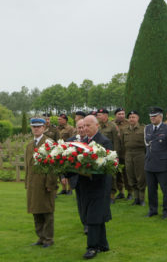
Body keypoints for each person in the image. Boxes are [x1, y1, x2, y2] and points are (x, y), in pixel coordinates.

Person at [78, 115, 113, 259]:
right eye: (83, 126)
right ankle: (103, 244)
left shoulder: (104, 142)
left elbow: (108, 165)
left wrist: (91, 173)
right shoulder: (82, 142)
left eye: (88, 125)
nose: (85, 128)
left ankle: (92, 247)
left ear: (96, 126)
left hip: (99, 185)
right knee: (93, 214)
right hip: (85, 186)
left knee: (93, 216)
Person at [25, 118, 57, 248]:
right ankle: (41, 237)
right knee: (35, 211)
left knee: (47, 211)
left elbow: (53, 167)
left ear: (44, 128)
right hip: (33, 184)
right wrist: (27, 182)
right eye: (34, 127)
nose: (36, 129)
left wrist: (51, 184)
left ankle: (48, 239)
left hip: (45, 184)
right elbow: (28, 166)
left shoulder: (49, 143)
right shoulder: (29, 145)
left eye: (39, 126)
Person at [144, 107, 167, 219]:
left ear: (160, 117)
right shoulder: (147, 128)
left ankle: (166, 211)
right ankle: (153, 210)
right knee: (151, 190)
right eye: (151, 116)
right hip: (149, 164)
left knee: (166, 190)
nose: (152, 118)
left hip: (163, 165)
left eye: (154, 116)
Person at [64, 119, 88, 235]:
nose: (82, 129)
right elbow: (64, 160)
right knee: (81, 202)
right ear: (76, 129)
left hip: (90, 178)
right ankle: (85, 224)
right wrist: (64, 176)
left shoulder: (91, 141)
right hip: (76, 178)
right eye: (79, 127)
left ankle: (91, 223)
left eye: (83, 127)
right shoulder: (70, 141)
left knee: (89, 201)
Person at [120, 110, 146, 206]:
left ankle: (142, 198)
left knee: (141, 176)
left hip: (140, 154)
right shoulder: (124, 130)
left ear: (138, 118)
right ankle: (136, 198)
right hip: (128, 154)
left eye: (134, 117)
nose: (132, 119)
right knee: (131, 176)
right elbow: (122, 143)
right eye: (130, 117)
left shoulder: (143, 129)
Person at [97, 108, 120, 204]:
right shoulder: (97, 126)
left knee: (111, 176)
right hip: (99, 155)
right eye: (97, 115)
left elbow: (116, 142)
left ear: (106, 116)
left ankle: (112, 196)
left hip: (110, 154)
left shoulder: (113, 126)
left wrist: (115, 155)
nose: (98, 117)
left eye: (100, 115)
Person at [112, 107, 133, 200]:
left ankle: (130, 192)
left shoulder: (129, 123)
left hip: (126, 153)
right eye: (119, 114)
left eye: (123, 114)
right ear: (115, 115)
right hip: (115, 153)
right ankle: (120, 192)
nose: (121, 116)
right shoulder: (111, 124)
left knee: (127, 173)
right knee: (117, 174)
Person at [57, 113, 75, 195]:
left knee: (68, 170)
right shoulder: (57, 129)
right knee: (61, 170)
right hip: (59, 151)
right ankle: (63, 188)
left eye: (60, 119)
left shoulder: (70, 128)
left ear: (65, 120)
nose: (58, 120)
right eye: (58, 119)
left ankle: (69, 189)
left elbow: (72, 139)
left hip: (67, 151)